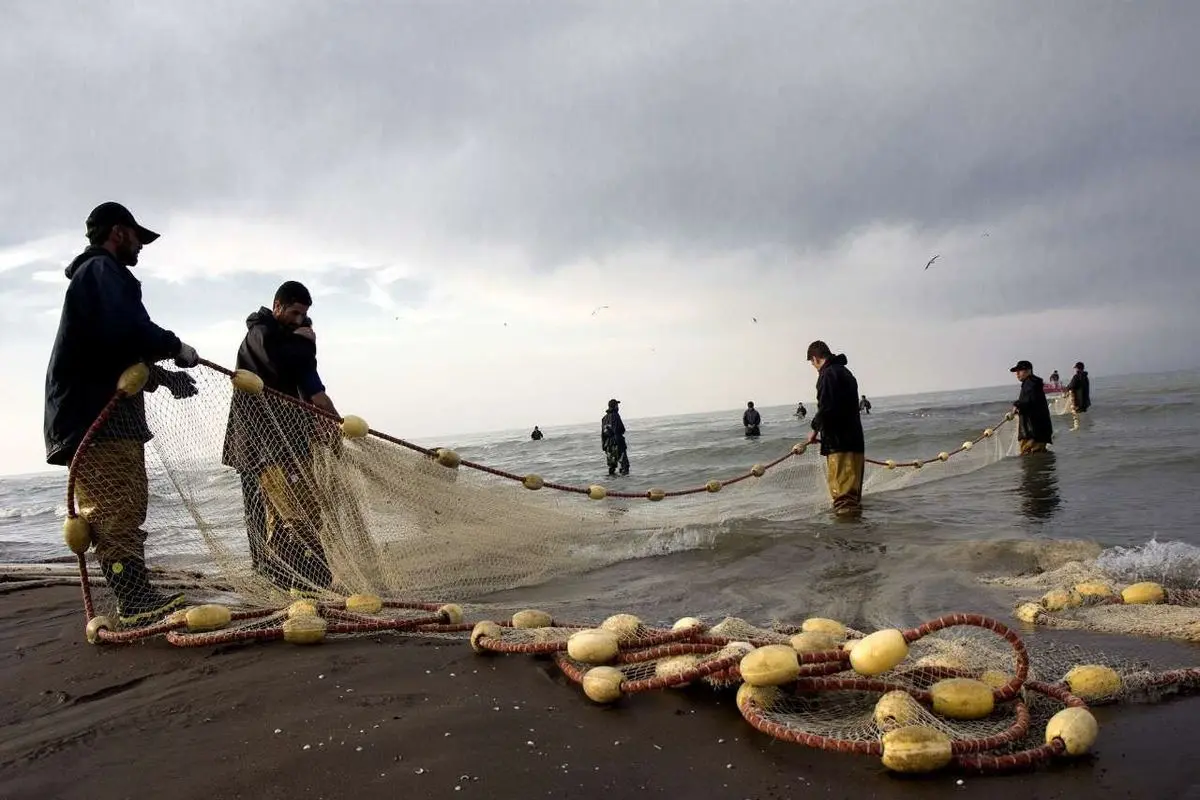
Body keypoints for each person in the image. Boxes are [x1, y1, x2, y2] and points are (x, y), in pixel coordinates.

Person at [43, 202, 201, 626]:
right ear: (118, 232)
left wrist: (165, 379)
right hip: (93, 418)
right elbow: (129, 330)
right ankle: (132, 600)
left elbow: (113, 353)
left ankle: (136, 592)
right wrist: (175, 347)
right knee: (115, 508)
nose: (140, 247)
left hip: (102, 414)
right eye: (137, 237)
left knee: (126, 504)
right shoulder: (102, 272)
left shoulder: (98, 278)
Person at [221, 281, 340, 595]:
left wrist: (325, 420)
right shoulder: (260, 334)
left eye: (303, 315)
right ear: (277, 306)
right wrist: (305, 345)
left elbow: (306, 385)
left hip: (281, 440)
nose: (299, 320)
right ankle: (295, 580)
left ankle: (300, 579)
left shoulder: (287, 338)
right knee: (292, 513)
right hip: (264, 445)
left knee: (295, 511)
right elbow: (281, 366)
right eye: (294, 312)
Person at [804, 341, 866, 516]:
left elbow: (827, 407)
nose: (813, 367)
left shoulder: (828, 374)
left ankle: (845, 540)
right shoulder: (846, 372)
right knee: (853, 497)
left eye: (812, 363)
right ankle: (859, 537)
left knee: (843, 498)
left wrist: (814, 430)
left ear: (815, 358)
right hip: (856, 443)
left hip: (839, 444)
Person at [1009, 360, 1053, 454]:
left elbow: (1028, 400)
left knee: (1031, 460)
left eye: (1019, 370)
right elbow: (1031, 402)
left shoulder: (1030, 383)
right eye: (1016, 371)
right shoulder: (1033, 383)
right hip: (1039, 431)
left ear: (1028, 371)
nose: (1017, 374)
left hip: (1032, 432)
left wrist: (1017, 405)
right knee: (1039, 459)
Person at [601, 399, 629, 476]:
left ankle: (611, 484)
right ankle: (624, 485)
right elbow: (622, 429)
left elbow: (602, 434)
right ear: (615, 406)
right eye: (617, 405)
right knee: (624, 466)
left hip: (608, 445)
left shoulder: (604, 418)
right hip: (618, 443)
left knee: (611, 467)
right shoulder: (616, 415)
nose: (618, 407)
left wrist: (603, 446)